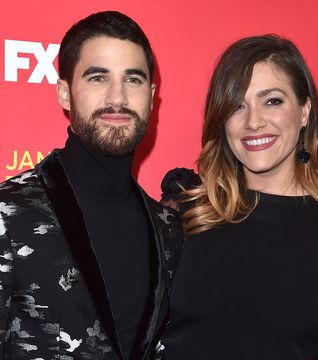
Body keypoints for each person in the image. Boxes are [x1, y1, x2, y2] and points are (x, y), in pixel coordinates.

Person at [159, 35, 318, 359]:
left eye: (272, 101)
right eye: (237, 105)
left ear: (305, 110)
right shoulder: (186, 208)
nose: (253, 121)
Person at [0, 11, 183, 360]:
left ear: (152, 95)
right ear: (65, 94)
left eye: (133, 80)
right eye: (98, 78)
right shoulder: (7, 215)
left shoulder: (170, 230)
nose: (118, 97)